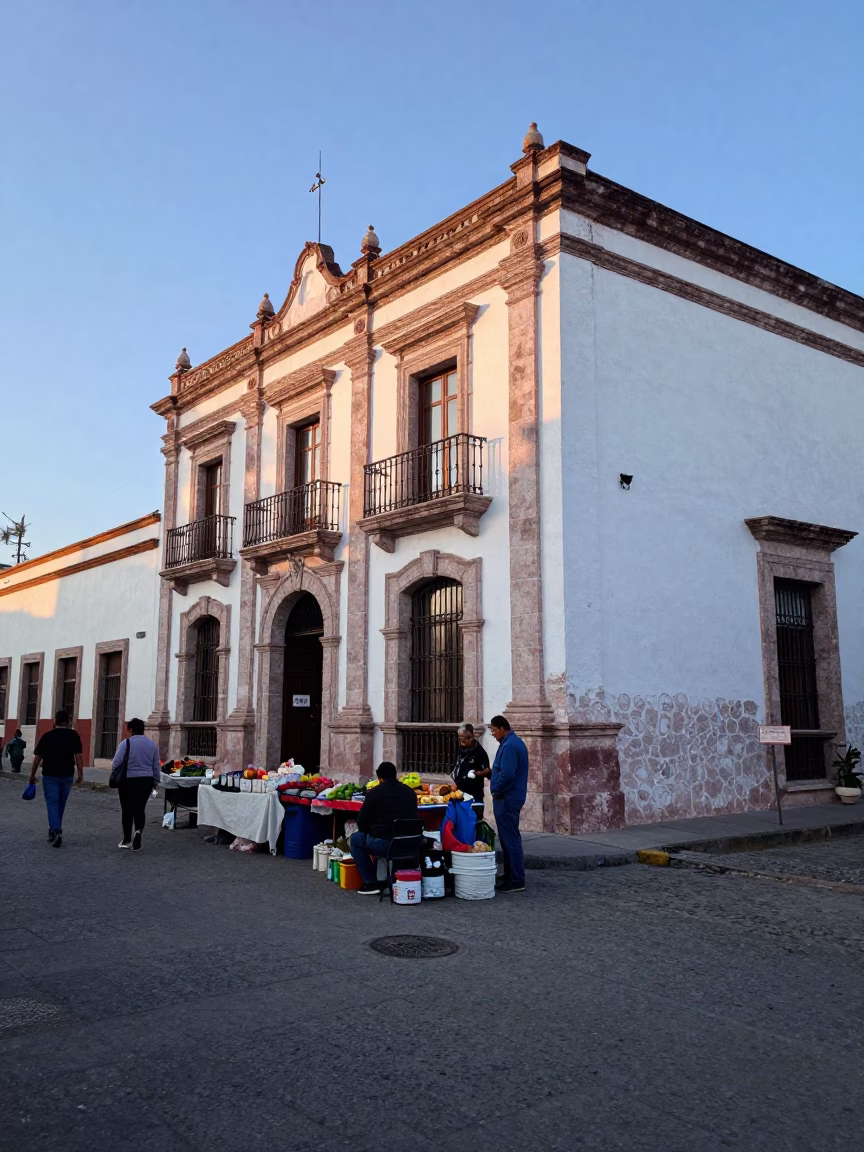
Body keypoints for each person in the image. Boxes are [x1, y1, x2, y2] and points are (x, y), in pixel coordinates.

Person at [350, 762, 419, 895]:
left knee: (356, 839)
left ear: (379, 778)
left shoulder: (374, 793)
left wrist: (370, 831)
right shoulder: (410, 792)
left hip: (386, 844)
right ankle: (395, 878)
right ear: (395, 775)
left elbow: (362, 822)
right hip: (411, 843)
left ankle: (370, 882)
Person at [28, 710, 83, 847]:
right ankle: (54, 829)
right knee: (61, 804)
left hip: (50, 775)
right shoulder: (73, 736)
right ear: (68, 722)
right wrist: (81, 774)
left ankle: (56, 830)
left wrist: (32, 774)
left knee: (52, 803)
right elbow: (79, 757)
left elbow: (37, 759)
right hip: (67, 775)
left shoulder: (47, 736)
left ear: (55, 721)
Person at [489, 714, 529, 893]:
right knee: (507, 838)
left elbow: (508, 774)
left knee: (510, 838)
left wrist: (496, 788)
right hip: (509, 796)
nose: (493, 734)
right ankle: (510, 873)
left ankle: (516, 879)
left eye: (493, 731)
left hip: (507, 797)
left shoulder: (511, 745)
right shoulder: (511, 743)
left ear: (501, 729)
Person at [112, 718, 161, 852]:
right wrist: (156, 780)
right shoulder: (152, 744)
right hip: (146, 780)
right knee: (140, 808)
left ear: (131, 729)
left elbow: (116, 763)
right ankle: (138, 832)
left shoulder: (125, 743)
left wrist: (115, 774)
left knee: (127, 809)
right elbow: (156, 765)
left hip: (128, 780)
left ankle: (127, 839)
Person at [452, 723, 491, 807]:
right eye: (460, 738)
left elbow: (488, 772)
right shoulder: (461, 748)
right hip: (460, 792)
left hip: (474, 794)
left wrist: (476, 773)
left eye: (463, 739)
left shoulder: (480, 752)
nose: (461, 742)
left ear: (471, 737)